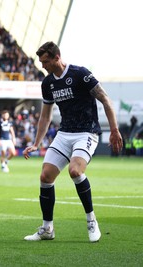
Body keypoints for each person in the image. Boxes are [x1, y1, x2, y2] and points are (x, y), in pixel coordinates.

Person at [22, 41, 123, 242]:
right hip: (65, 133)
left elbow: (105, 99)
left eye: (45, 61)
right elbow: (45, 116)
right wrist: (37, 142)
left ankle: (91, 220)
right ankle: (47, 229)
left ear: (56, 57)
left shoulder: (80, 74)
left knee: (75, 171)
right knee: (45, 176)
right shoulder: (48, 83)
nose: (43, 66)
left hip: (87, 132)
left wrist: (114, 129)